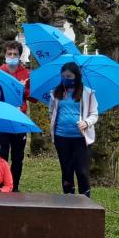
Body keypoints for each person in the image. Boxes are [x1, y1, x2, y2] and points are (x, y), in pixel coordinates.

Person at [48, 62, 98, 197]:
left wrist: (86, 123)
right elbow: (51, 112)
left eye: (69, 76)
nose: (65, 79)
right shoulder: (55, 93)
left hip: (81, 139)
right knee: (66, 171)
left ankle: (85, 201)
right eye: (63, 76)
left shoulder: (88, 93)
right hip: (61, 137)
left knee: (82, 171)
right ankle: (68, 200)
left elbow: (94, 114)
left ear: (76, 76)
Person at [0, 40, 31, 192]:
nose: (12, 56)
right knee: (2, 154)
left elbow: (33, 98)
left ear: (20, 56)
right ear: (5, 55)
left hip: (19, 120)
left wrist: (23, 89)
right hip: (3, 119)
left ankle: (14, 186)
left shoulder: (26, 74)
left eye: (15, 54)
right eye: (9, 54)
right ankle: (2, 184)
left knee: (18, 156)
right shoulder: (0, 72)